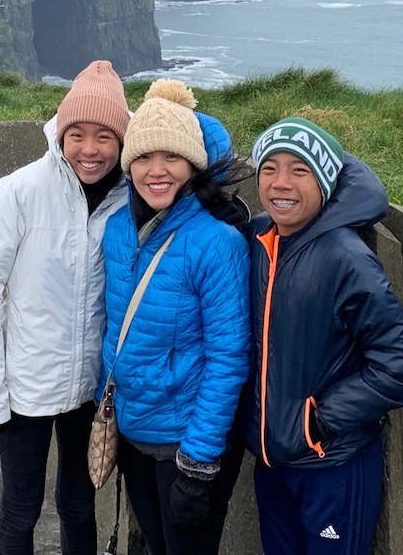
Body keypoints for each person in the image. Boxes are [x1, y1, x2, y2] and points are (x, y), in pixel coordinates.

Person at [0, 60, 132, 555]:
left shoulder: (130, 199)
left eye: (105, 136)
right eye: (77, 134)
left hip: (90, 387)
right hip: (23, 388)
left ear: (123, 139)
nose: (90, 150)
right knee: (20, 508)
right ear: (59, 132)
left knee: (79, 504)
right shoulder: (19, 193)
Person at [243, 116, 403, 555]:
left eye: (299, 171)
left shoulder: (346, 257)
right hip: (271, 461)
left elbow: (401, 369)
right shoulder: (258, 238)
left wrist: (317, 422)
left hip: (331, 464)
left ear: (323, 183)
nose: (281, 183)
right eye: (269, 168)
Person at [99, 79, 250, 555]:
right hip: (133, 426)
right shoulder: (117, 227)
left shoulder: (216, 241)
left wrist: (200, 462)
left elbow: (228, 357)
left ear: (193, 166)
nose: (156, 171)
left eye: (172, 157)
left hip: (185, 443)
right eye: (143, 157)